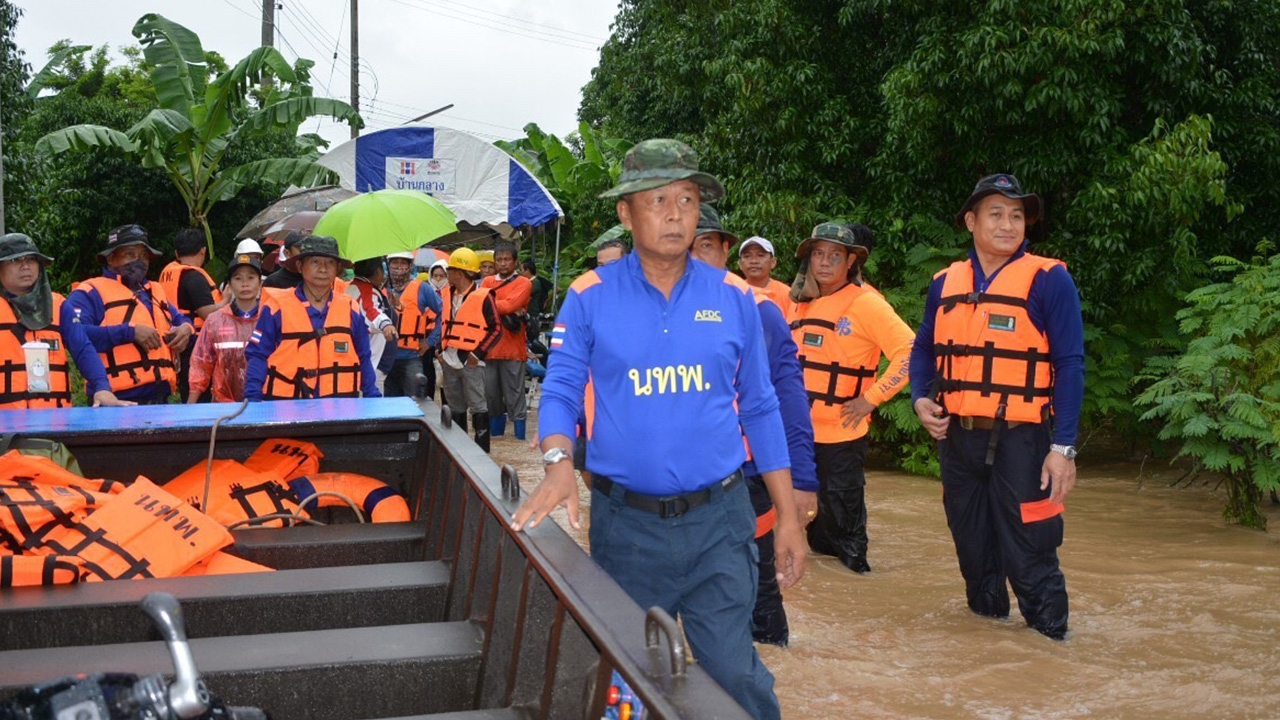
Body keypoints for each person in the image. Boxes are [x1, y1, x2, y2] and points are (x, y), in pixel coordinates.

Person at [512, 139, 805, 720]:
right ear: (626, 212)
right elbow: (563, 388)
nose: (675, 213)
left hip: (719, 524)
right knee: (627, 678)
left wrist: (790, 518)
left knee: (734, 673)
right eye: (658, 199)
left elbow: (762, 407)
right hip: (627, 528)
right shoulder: (589, 297)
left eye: (688, 199)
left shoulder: (734, 298)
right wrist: (557, 461)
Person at [908, 174, 1083, 641]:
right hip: (958, 439)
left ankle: (1052, 653)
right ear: (971, 221)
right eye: (996, 213)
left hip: (1024, 442)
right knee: (975, 556)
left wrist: (1063, 447)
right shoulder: (945, 282)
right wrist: (920, 397)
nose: (1008, 224)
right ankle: (989, 657)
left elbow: (1070, 364)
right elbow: (923, 347)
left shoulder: (1049, 279)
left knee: (1031, 556)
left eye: (1017, 215)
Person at [691, 205, 818, 648]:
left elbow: (787, 399)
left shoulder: (759, 311)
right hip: (688, 478)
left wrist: (800, 483)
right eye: (688, 246)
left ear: (726, 252)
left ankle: (777, 674)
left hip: (747, 476)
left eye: (706, 246)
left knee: (760, 583)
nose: (695, 258)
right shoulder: (656, 313)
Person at [789, 222, 914, 574]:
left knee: (843, 528)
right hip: (799, 436)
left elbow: (911, 353)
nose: (824, 263)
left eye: (835, 256)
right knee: (801, 521)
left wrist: (871, 399)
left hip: (842, 437)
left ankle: (856, 589)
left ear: (850, 263)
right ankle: (823, 605)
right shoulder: (799, 304)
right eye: (817, 254)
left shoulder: (867, 304)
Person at [63, 224, 194, 405]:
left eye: (143, 255)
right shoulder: (89, 292)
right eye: (130, 255)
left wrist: (186, 329)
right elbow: (76, 335)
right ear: (111, 258)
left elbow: (182, 319)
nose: (138, 261)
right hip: (113, 401)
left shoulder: (154, 291)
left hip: (160, 400)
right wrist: (129, 332)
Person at [0, 233, 130, 408]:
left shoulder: (59, 305)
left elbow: (82, 347)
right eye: (15, 261)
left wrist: (102, 387)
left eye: (31, 260)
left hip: (54, 421)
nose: (25, 266)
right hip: (4, 424)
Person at [243, 235, 381, 400]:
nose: (323, 269)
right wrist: (252, 400)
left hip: (339, 411)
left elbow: (364, 356)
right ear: (300, 266)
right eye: (315, 262)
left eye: (330, 263)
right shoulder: (276, 307)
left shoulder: (350, 308)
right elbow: (257, 355)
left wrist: (373, 398)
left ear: (338, 268)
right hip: (285, 409)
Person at [438, 247, 501, 451]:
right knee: (455, 407)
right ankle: (460, 451)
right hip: (449, 357)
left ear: (461, 272)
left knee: (478, 407)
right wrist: (440, 350)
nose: (448, 274)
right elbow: (441, 323)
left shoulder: (483, 296)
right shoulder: (446, 293)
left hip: (471, 359)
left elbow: (496, 328)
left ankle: (482, 451)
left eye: (450, 270)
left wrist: (478, 354)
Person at [159, 228, 225, 402]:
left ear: (176, 253)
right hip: (195, 344)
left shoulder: (167, 274)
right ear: (203, 251)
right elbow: (208, 314)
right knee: (199, 394)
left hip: (174, 342)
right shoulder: (194, 277)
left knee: (186, 390)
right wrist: (228, 300)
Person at [187, 253, 264, 403]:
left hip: (264, 403)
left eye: (251, 277)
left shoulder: (270, 318)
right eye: (238, 278)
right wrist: (190, 406)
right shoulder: (215, 320)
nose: (245, 283)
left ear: (260, 283)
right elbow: (201, 363)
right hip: (223, 406)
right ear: (229, 285)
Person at [480, 241, 533, 440]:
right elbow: (496, 306)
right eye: (499, 260)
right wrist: (505, 306)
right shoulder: (486, 282)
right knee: (491, 397)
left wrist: (492, 304)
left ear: (515, 261)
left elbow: (510, 305)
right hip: (489, 348)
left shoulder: (524, 283)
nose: (503, 264)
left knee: (515, 396)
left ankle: (519, 439)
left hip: (513, 348)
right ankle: (496, 439)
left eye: (507, 260)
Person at [385, 251, 442, 398]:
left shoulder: (423, 288)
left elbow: (444, 314)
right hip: (385, 359)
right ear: (388, 265)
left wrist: (430, 341)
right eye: (395, 262)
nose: (399, 267)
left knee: (416, 402)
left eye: (403, 263)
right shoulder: (382, 289)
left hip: (411, 358)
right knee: (389, 407)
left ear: (410, 266)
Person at [347, 257, 398, 392]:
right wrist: (386, 324)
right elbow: (372, 311)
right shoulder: (367, 290)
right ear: (377, 271)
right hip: (373, 361)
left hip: (360, 358)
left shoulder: (350, 288)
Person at [737, 235, 794, 318]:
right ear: (740, 264)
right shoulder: (734, 293)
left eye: (760, 255)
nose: (754, 261)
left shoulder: (788, 295)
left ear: (773, 262)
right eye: (747, 256)